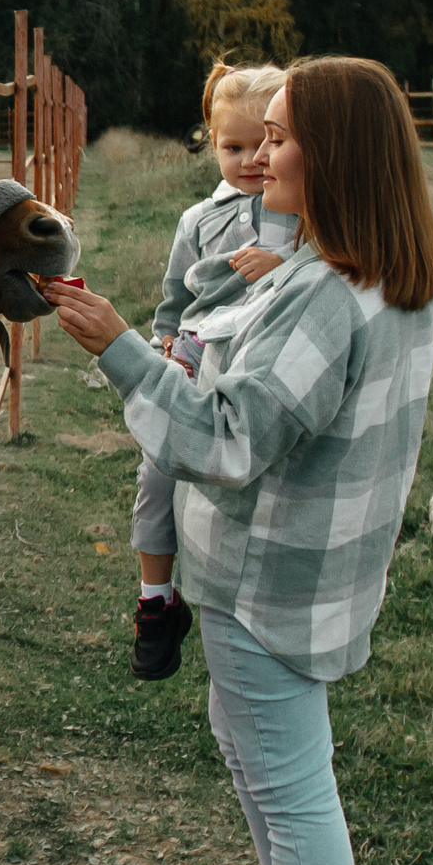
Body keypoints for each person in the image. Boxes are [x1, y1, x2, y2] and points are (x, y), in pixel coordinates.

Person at [42, 57, 433, 865]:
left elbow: (233, 438)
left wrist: (119, 350)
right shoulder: (355, 272)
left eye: (279, 135)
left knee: (293, 792)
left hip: (270, 579)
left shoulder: (331, 297)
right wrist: (273, 300)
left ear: (335, 153)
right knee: (259, 756)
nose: (258, 153)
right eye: (258, 134)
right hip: (298, 575)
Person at [131, 64, 296, 683]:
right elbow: (173, 305)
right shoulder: (199, 221)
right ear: (211, 142)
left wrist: (284, 256)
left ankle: (246, 587)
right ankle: (156, 599)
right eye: (233, 147)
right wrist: (166, 348)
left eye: (265, 143)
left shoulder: (305, 211)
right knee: (157, 470)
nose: (252, 160)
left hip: (263, 361)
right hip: (201, 356)